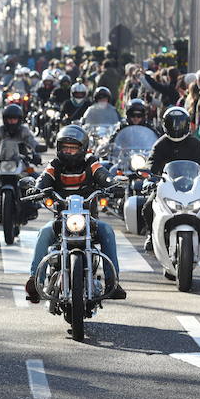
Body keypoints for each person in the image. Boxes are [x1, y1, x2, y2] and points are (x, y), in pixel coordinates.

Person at [25, 126, 126, 303]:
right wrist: (36, 188)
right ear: (59, 148)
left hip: (89, 221)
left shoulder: (90, 162)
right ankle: (35, 281)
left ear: (82, 148)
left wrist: (112, 184)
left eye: (73, 148)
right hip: (61, 221)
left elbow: (103, 175)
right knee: (44, 233)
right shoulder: (55, 164)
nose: (69, 151)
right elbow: (43, 179)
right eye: (65, 147)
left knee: (108, 232)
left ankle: (112, 282)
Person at [141, 107, 200, 250]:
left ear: (186, 125)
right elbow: (151, 162)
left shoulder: (194, 143)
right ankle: (151, 235)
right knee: (148, 207)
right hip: (166, 184)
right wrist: (148, 176)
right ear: (165, 125)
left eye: (179, 124)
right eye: (172, 123)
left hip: (192, 185)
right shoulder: (161, 144)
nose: (176, 127)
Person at [0, 104, 41, 213]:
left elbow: (32, 142)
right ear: (5, 120)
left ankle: (32, 202)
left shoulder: (24, 131)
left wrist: (37, 153)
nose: (12, 122)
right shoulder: (0, 131)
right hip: (3, 161)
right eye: (9, 119)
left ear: (19, 120)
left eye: (14, 119)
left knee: (35, 179)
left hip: (21, 162)